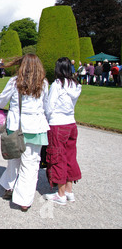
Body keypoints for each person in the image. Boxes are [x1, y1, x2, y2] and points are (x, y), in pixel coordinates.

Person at [0, 54, 49, 212]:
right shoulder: (44, 83)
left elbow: (1, 100)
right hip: (35, 128)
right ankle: (23, 198)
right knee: (31, 165)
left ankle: (11, 187)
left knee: (14, 160)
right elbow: (46, 106)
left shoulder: (14, 82)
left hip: (16, 126)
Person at [43, 57, 82, 205]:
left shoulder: (57, 84)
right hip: (71, 123)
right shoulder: (75, 85)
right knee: (70, 156)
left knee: (57, 156)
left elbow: (49, 106)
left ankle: (60, 194)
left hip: (58, 124)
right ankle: (69, 190)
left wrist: (45, 118)